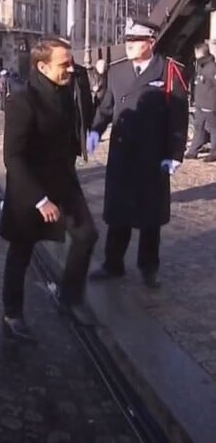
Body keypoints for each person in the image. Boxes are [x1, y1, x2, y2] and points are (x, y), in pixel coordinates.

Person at [0, 37, 99, 342]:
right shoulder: (22, 99)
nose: (71, 67)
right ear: (42, 67)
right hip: (30, 188)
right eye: (64, 63)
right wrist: (39, 200)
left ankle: (70, 298)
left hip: (63, 181)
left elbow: (84, 119)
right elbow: (12, 157)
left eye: (71, 61)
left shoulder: (67, 88)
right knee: (21, 251)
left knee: (87, 235)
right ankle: (12, 314)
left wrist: (82, 82)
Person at [88, 17, 189, 288]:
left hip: (152, 155)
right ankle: (113, 263)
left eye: (135, 40)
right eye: (128, 40)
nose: (129, 45)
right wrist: (96, 129)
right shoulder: (117, 71)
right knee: (118, 212)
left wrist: (175, 153)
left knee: (149, 217)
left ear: (150, 43)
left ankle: (148, 267)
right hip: (122, 154)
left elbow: (179, 117)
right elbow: (106, 107)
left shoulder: (168, 71)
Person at [185, 42, 216, 162]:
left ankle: (214, 153)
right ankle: (193, 151)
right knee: (199, 128)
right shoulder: (200, 66)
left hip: (209, 105)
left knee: (213, 129)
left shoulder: (212, 67)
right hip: (199, 104)